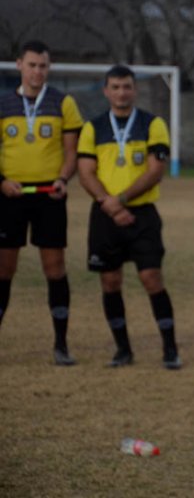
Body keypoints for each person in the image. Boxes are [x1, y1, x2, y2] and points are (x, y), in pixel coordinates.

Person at [76, 65, 181, 369]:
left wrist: (119, 201)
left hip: (142, 215)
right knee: (110, 282)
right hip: (104, 214)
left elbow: (155, 171)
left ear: (134, 90)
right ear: (106, 91)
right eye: (116, 87)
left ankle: (170, 349)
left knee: (151, 278)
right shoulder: (93, 128)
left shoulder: (152, 124)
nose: (122, 92)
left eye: (127, 87)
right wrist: (107, 204)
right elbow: (85, 172)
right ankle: (123, 350)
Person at [0, 40, 82, 366]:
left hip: (49, 196)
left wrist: (62, 179)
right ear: (19, 64)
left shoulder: (63, 103)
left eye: (43, 66)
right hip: (9, 197)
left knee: (55, 268)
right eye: (32, 65)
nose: (37, 71)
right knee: (4, 270)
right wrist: (2, 182)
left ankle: (61, 345)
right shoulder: (3, 103)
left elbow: (72, 152)